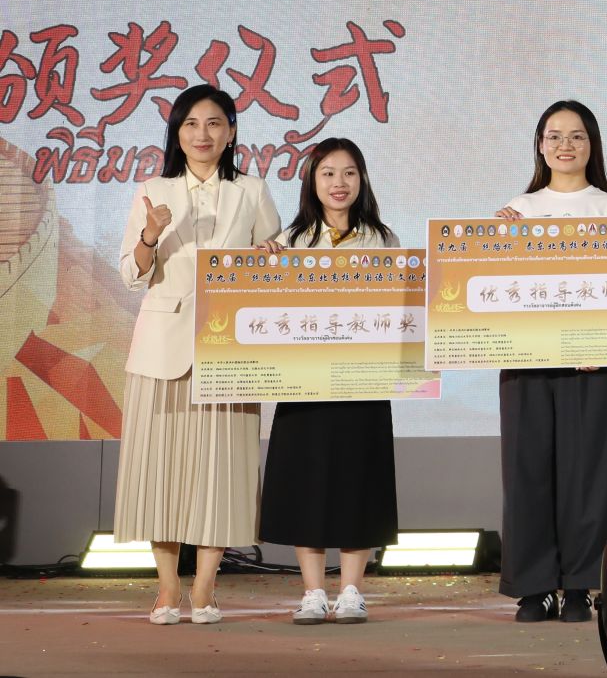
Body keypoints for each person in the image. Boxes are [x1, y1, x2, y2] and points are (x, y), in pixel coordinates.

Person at [114, 85, 283, 624]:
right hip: (162, 348)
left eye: (214, 123)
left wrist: (270, 256)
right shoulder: (154, 189)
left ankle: (205, 588)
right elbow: (131, 274)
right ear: (177, 133)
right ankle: (167, 589)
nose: (202, 134)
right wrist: (150, 235)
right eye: (190, 124)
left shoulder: (252, 190)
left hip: (230, 348)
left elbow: (277, 266)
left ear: (231, 132)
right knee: (160, 470)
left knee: (222, 472)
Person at [495, 100, 607, 624]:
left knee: (588, 476)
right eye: (554, 136)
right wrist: (491, 241)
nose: (565, 145)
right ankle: (534, 588)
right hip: (526, 363)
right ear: (540, 145)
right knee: (526, 472)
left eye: (576, 136)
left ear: (592, 144)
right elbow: (493, 287)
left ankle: (579, 585)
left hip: (590, 364)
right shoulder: (518, 210)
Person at [258, 138, 400, 625]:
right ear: (312, 182)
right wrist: (260, 265)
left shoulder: (384, 240)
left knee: (360, 480)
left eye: (349, 173)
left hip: (364, 380)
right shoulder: (290, 241)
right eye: (328, 174)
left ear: (362, 180)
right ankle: (314, 592)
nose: (339, 183)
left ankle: (353, 590)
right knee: (307, 481)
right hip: (304, 383)